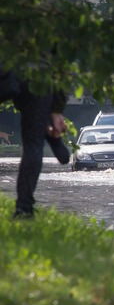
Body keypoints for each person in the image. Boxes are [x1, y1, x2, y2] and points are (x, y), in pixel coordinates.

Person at [12, 80, 70, 218]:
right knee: (33, 144)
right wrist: (56, 110)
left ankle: (47, 129)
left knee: (33, 143)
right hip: (35, 78)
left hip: (19, 72)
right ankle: (23, 208)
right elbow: (60, 72)